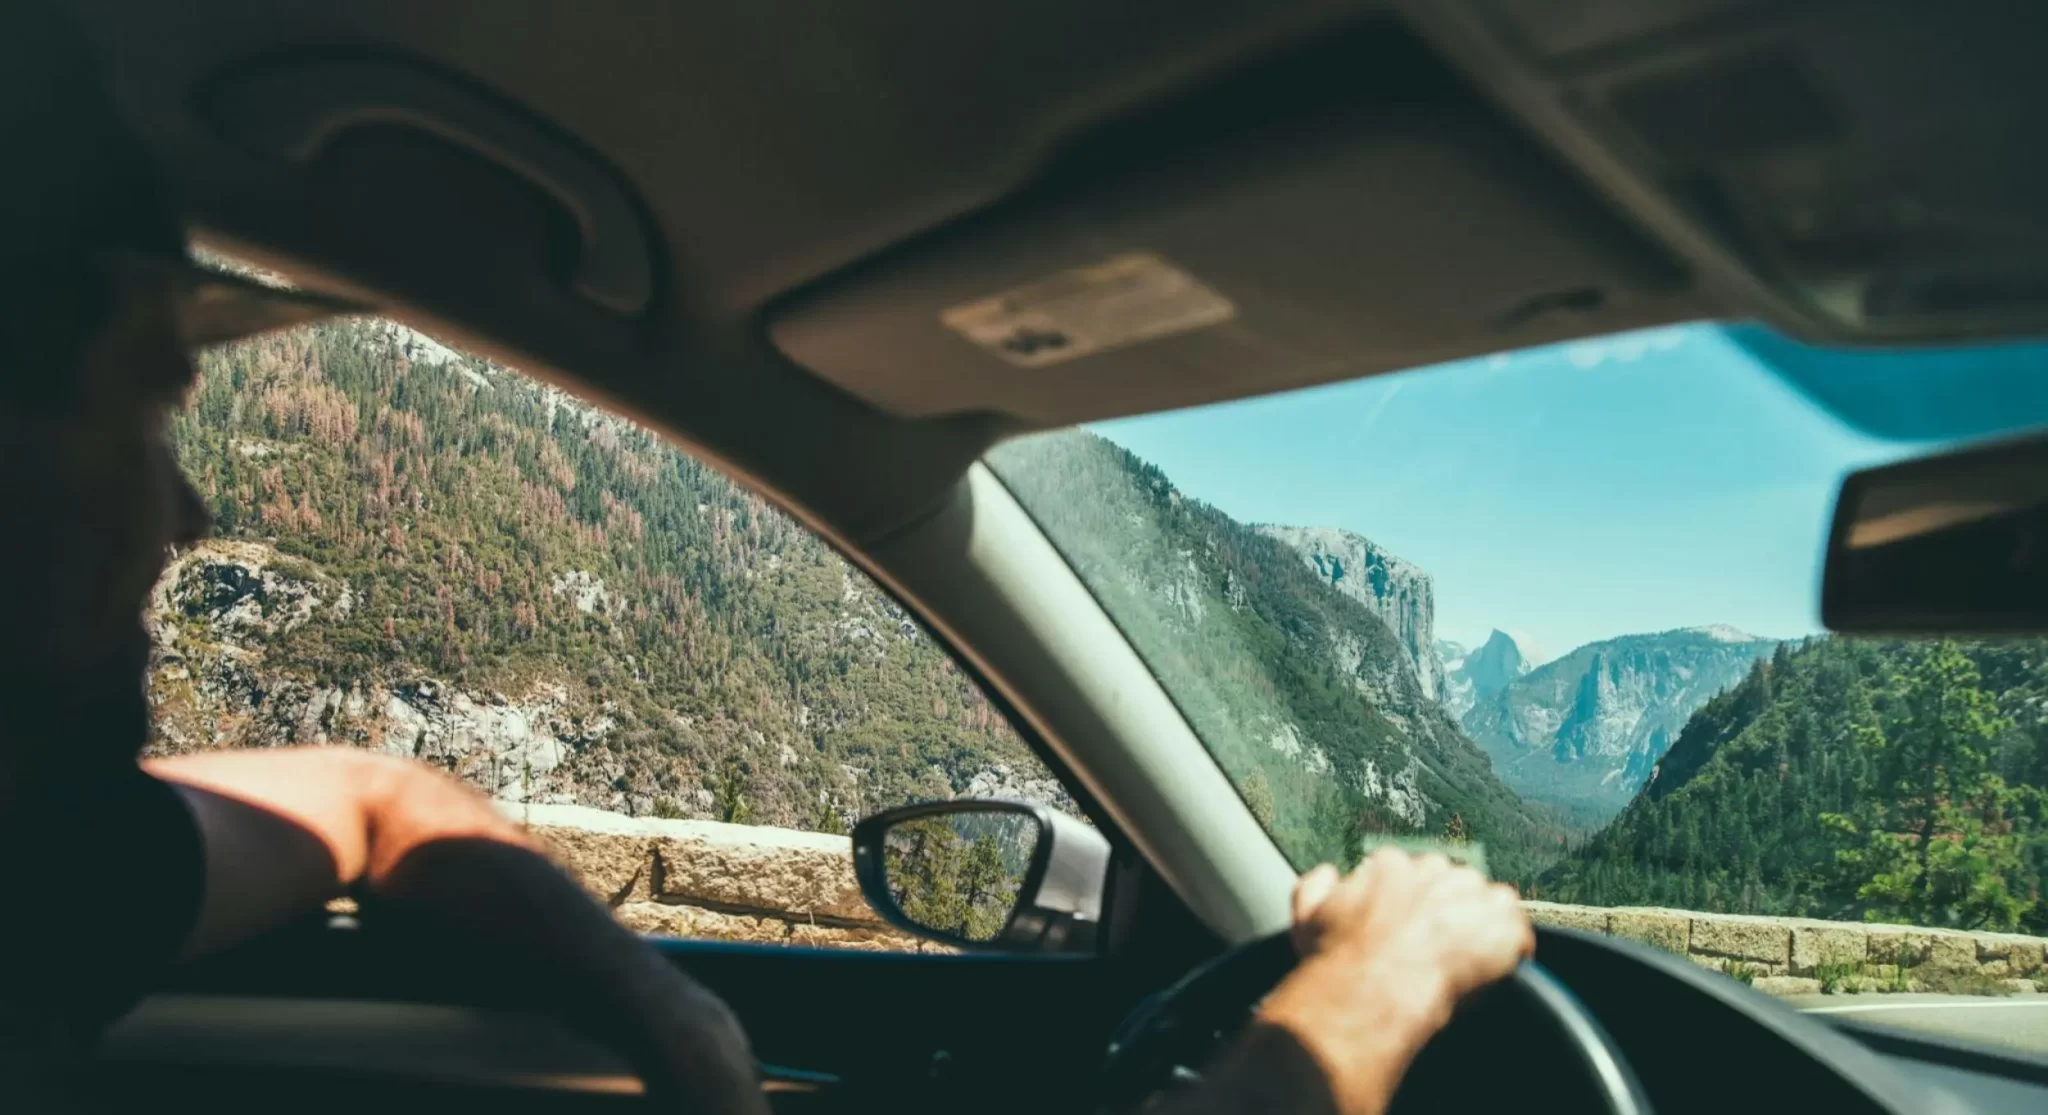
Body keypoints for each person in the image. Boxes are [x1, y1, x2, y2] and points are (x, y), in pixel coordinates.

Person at [0, 6, 1532, 1114]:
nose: (188, 514)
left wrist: (674, 1011)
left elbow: (376, 793)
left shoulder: (55, 871)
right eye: (144, 408)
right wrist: (1374, 985)